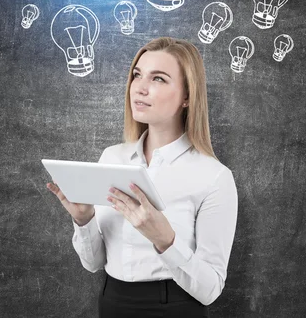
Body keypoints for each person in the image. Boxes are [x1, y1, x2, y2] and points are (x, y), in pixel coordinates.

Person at [47, 37, 238, 318]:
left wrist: (166, 241)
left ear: (187, 96)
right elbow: (94, 263)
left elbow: (210, 290)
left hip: (173, 307)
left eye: (159, 79)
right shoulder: (112, 158)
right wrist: (83, 220)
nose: (140, 88)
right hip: (112, 301)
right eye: (137, 75)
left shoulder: (214, 177)